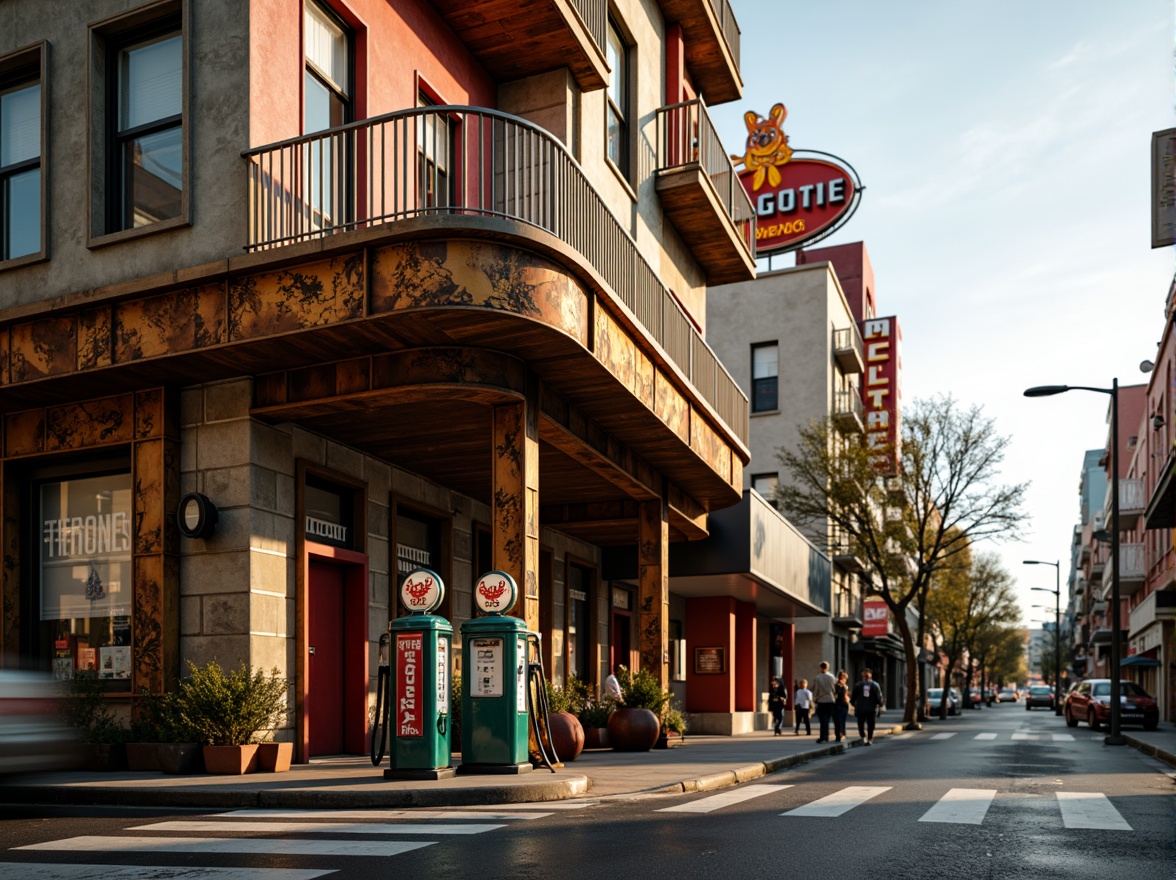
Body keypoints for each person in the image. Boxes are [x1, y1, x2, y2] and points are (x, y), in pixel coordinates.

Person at [851, 668, 884, 745]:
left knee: (861, 723)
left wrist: (854, 704)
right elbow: (879, 697)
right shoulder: (875, 685)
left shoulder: (858, 685)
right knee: (870, 724)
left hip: (861, 708)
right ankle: (869, 739)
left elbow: (853, 697)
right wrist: (880, 704)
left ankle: (863, 735)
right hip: (871, 708)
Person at [811, 661, 837, 743]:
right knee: (827, 719)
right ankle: (826, 736)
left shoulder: (817, 678)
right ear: (828, 668)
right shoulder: (832, 677)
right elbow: (834, 689)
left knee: (822, 719)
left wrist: (814, 699)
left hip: (821, 700)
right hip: (830, 700)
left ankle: (823, 736)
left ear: (821, 668)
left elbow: (815, 690)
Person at [833, 669, 850, 742]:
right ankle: (839, 734)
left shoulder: (843, 686)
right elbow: (839, 695)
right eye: (845, 679)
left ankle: (841, 734)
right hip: (839, 705)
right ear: (842, 679)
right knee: (839, 721)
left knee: (841, 721)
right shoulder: (838, 686)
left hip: (842, 705)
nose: (846, 681)